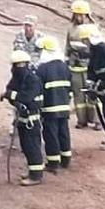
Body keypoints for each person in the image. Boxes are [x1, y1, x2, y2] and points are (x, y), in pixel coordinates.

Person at [2, 50, 45, 186]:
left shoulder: (33, 79)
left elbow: (25, 97)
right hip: (21, 119)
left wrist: (10, 95)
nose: (17, 68)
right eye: (16, 65)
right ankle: (32, 172)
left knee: (33, 147)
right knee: (25, 147)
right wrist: (12, 97)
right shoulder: (17, 78)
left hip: (31, 120)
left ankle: (36, 176)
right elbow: (11, 91)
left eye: (20, 65)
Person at [36, 35, 72, 171]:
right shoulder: (64, 66)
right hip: (64, 107)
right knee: (64, 132)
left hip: (49, 108)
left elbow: (38, 89)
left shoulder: (42, 69)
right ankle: (66, 159)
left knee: (51, 135)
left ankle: (53, 163)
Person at [64, 0, 98, 130]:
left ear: (87, 15)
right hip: (75, 66)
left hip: (90, 66)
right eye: (76, 15)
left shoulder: (93, 28)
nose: (78, 17)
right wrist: (66, 61)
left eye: (81, 15)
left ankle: (96, 120)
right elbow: (67, 45)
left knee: (93, 94)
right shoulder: (71, 28)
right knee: (78, 95)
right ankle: (82, 120)